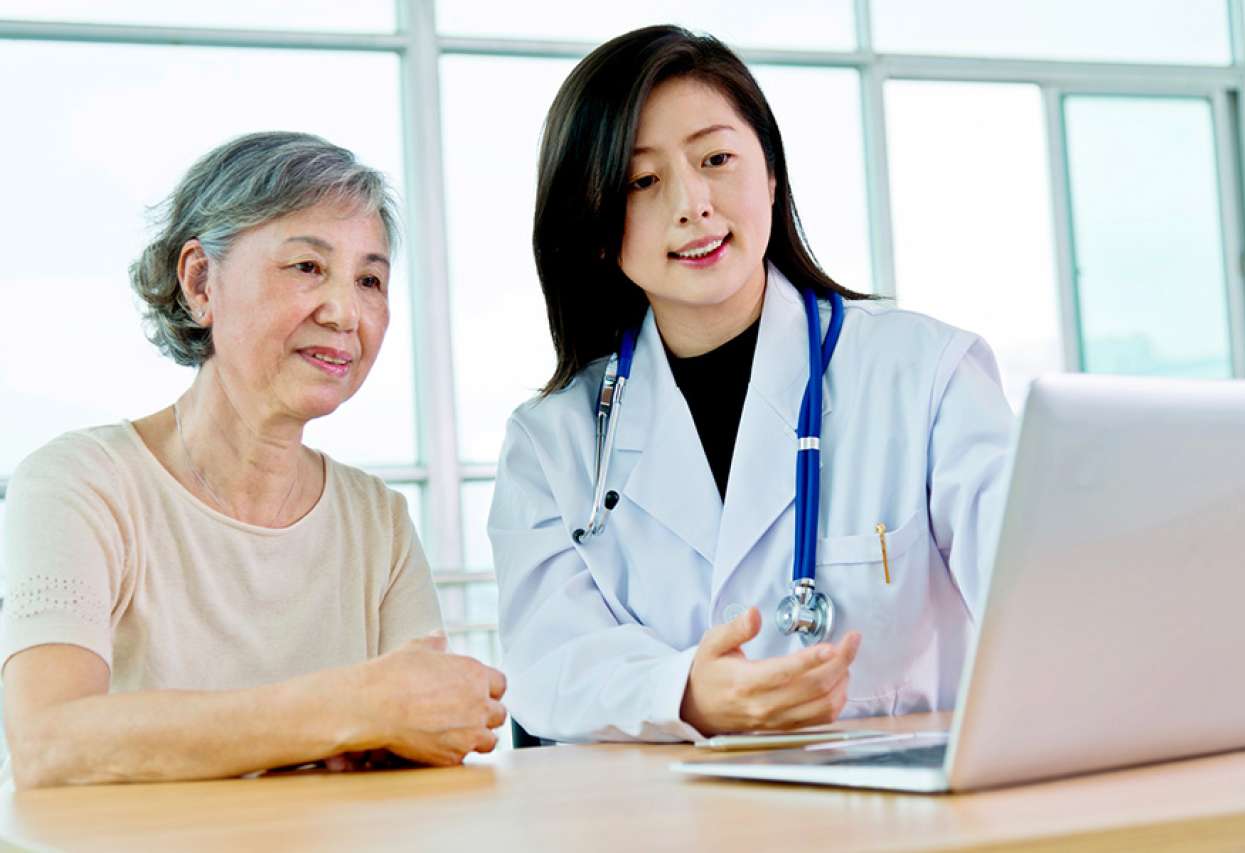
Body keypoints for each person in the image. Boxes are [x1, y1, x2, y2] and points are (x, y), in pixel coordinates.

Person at [488, 27, 1012, 743]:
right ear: (597, 228)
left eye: (717, 158)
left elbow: (1037, 590)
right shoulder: (553, 440)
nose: (693, 203)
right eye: (643, 180)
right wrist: (686, 693)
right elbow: (549, 661)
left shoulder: (923, 373)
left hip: (899, 815)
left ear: (770, 175)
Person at [1, 132, 506, 789]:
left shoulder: (378, 521)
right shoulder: (79, 483)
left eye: (370, 279)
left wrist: (382, 721)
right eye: (307, 267)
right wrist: (354, 709)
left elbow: (436, 721)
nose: (345, 311)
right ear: (200, 281)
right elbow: (49, 742)